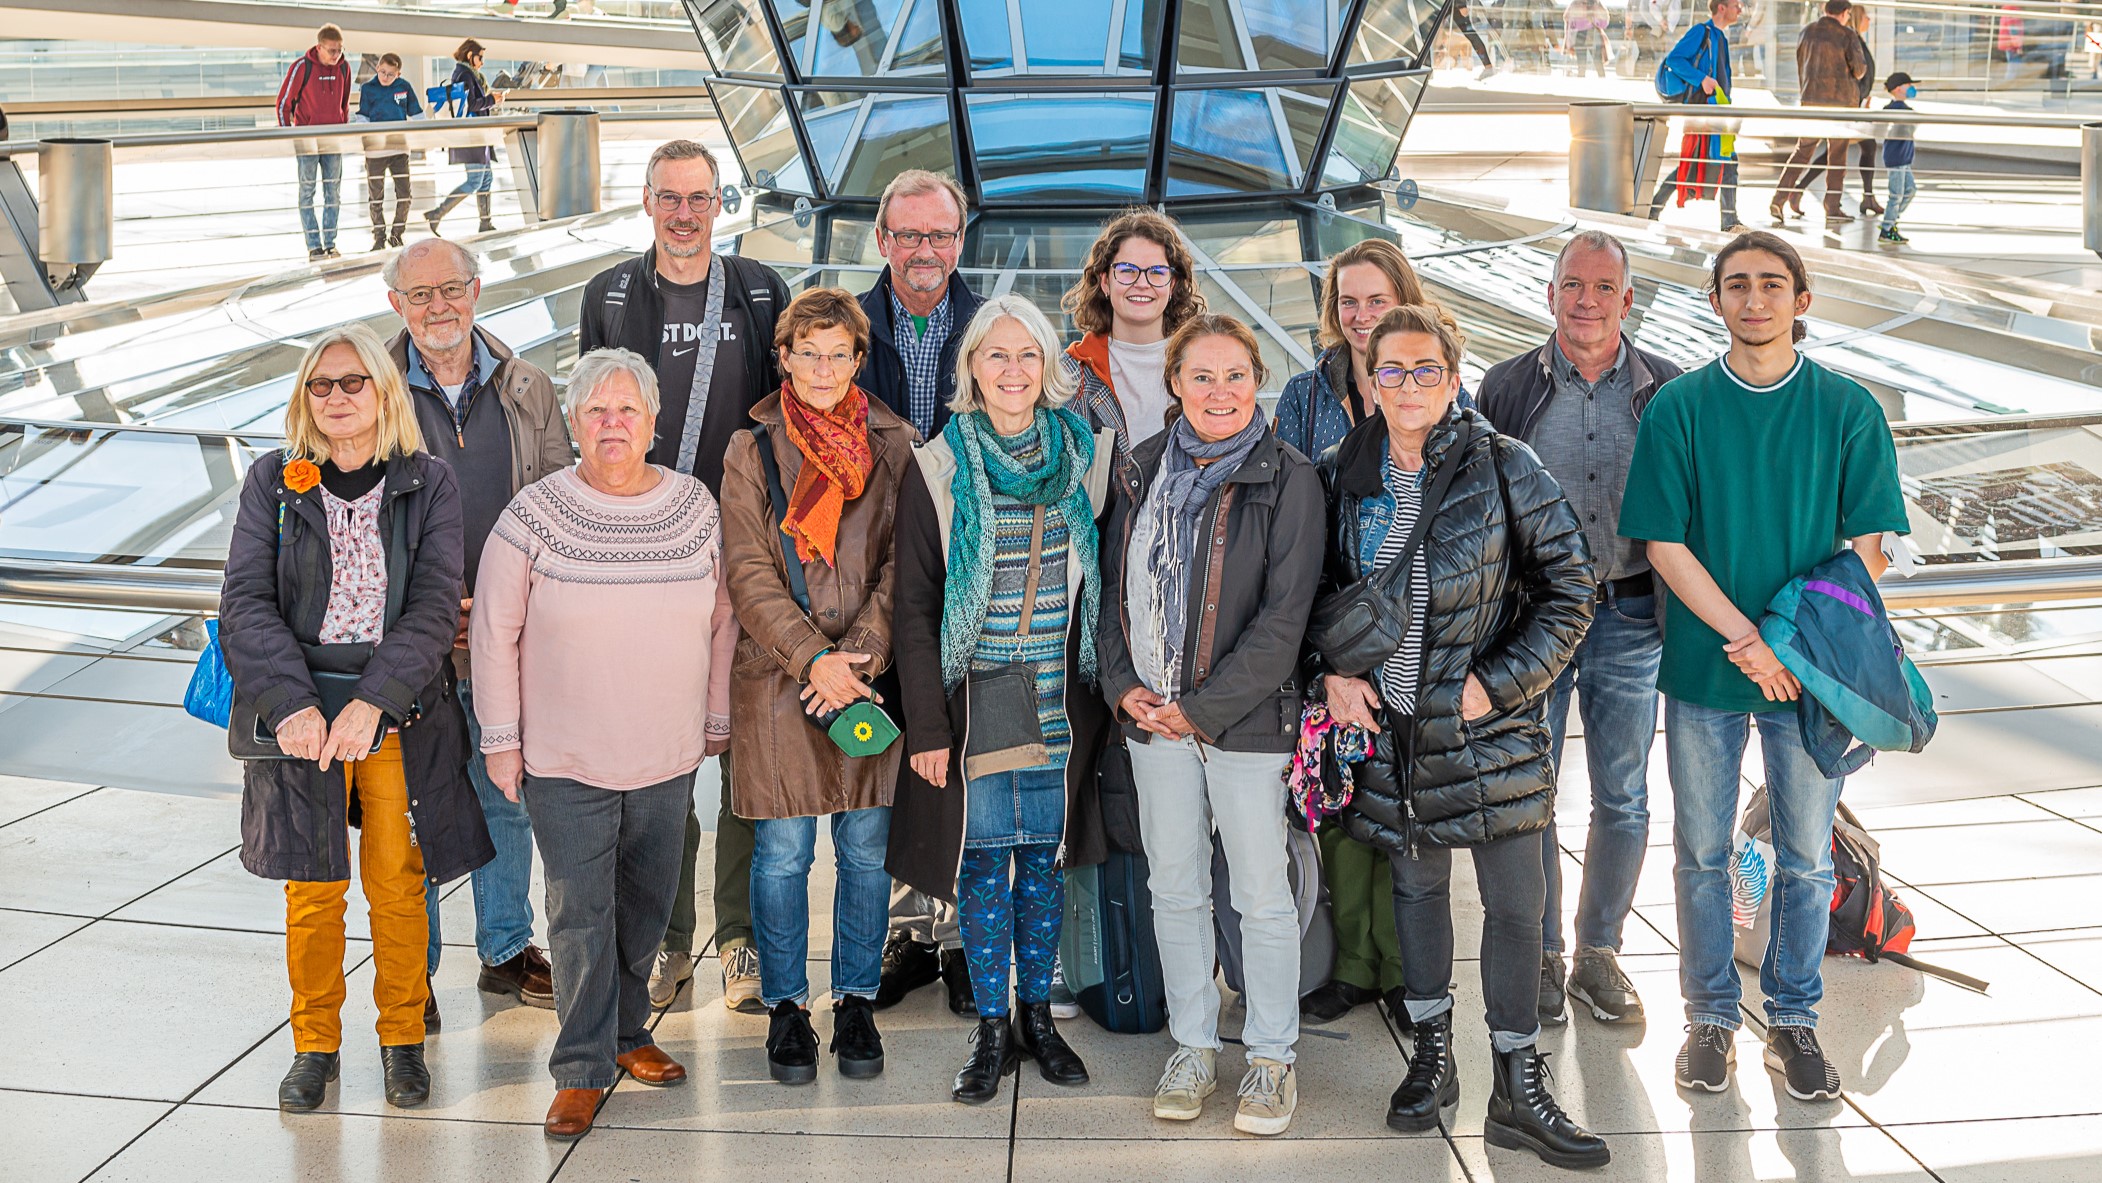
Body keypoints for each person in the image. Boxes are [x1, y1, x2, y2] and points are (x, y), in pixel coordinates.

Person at [1619, 232, 1908, 1102]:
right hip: (1707, 666)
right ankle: (1710, 1018)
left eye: (1772, 284)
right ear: (1714, 302)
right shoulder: (1680, 408)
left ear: (1802, 299)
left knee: (1807, 858)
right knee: (1703, 851)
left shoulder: (1847, 408)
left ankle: (1793, 1018)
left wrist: (1783, 643)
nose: (1755, 298)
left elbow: (1870, 549)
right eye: (1737, 285)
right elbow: (1663, 542)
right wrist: (1748, 637)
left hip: (1809, 677)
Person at [1315, 303, 1604, 1169]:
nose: (1407, 387)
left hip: (1490, 730)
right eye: (1391, 371)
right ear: (1369, 381)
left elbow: (1573, 587)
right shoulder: (1342, 472)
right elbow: (1314, 592)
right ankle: (1434, 1057)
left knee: (1518, 908)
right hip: (1393, 733)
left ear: (1453, 375)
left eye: (1425, 370)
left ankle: (1517, 1081)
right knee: (1418, 896)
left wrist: (1499, 683)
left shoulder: (1503, 465)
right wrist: (1332, 674)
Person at [219, 323, 490, 1114]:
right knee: (313, 887)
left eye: (352, 382)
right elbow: (245, 601)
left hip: (395, 708)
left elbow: (438, 602)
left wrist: (375, 702)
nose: (336, 397)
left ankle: (402, 1037)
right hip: (299, 708)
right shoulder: (273, 481)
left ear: (382, 389)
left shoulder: (426, 482)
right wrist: (294, 704)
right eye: (320, 385)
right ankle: (315, 1045)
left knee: (398, 885)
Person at [470, 348, 737, 1140]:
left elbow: (724, 619)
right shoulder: (533, 514)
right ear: (575, 423)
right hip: (565, 754)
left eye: (628, 410)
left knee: (649, 902)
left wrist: (715, 716)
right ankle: (581, 1066)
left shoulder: (695, 506)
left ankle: (627, 1033)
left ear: (654, 422)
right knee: (580, 911)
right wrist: (501, 738)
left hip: (667, 748)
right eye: (596, 411)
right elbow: (492, 631)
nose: (613, 424)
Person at [1097, 313, 1324, 1137]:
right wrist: (1125, 688)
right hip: (1151, 721)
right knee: (1175, 885)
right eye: (1202, 376)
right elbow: (1111, 593)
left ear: (1256, 379)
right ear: (1176, 384)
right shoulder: (1143, 467)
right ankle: (1193, 1044)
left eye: (1234, 375)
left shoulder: (1290, 477)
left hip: (1245, 723)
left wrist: (1201, 708)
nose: (1219, 391)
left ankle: (1270, 1056)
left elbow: (1285, 618)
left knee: (1261, 893)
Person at [577, 138, 788, 1014]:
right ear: (648, 202)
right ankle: (669, 938)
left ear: (719, 204)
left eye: (700, 198)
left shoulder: (760, 292)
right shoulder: (611, 295)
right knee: (661, 759)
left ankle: (736, 940)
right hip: (644, 558)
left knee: (743, 751)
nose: (685, 213)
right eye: (669, 197)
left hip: (739, 553)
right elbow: (594, 419)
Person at [889, 295, 1115, 1104]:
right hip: (975, 701)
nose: (1013, 371)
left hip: (1061, 698)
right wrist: (925, 723)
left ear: (1049, 367)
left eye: (1028, 355)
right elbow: (913, 606)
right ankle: (991, 1031)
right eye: (996, 355)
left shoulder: (1089, 455)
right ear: (972, 370)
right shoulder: (938, 465)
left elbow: (1110, 589)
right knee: (983, 867)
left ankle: (1037, 1020)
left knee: (1045, 869)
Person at [1476, 231, 1682, 1029]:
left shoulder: (1666, 389)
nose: (1586, 300)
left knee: (1623, 795)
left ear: (1628, 300)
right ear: (1551, 294)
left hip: (1633, 614)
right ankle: (1543, 955)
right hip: (1536, 620)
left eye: (1603, 287)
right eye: (1572, 285)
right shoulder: (1506, 387)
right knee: (1536, 792)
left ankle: (1600, 953)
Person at [720, 287, 915, 1085]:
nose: (825, 367)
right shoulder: (750, 447)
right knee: (783, 851)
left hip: (866, 678)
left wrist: (859, 655)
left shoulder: (897, 444)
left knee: (867, 851)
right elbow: (748, 571)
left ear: (860, 359)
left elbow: (909, 567)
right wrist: (815, 659)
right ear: (785, 358)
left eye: (841, 353)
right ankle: (788, 1008)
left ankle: (858, 1000)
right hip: (780, 680)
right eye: (810, 352)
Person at [383, 239, 572, 1017]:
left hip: (509, 635)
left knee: (507, 794)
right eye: (420, 294)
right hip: (413, 642)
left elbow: (562, 497)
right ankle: (414, 968)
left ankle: (503, 948)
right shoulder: (374, 389)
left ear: (477, 290)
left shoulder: (527, 385)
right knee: (419, 805)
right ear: (395, 303)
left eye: (451, 289)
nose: (438, 306)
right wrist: (428, 603)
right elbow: (354, 516)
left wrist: (514, 601)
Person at [1273, 237, 1432, 1026]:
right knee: (1337, 796)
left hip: (1417, 629)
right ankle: (1354, 963)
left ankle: (1405, 969)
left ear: (1403, 297)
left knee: (1403, 805)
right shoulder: (1306, 394)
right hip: (1331, 621)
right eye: (1348, 302)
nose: (1361, 316)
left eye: (1375, 299)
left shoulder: (1434, 384)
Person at [859, 168, 986, 1015]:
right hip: (866, 574)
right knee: (895, 756)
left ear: (960, 241)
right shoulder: (846, 327)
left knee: (964, 746)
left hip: (967, 567)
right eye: (908, 235)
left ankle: (961, 934)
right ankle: (906, 930)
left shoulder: (991, 327)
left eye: (939, 235)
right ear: (882, 242)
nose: (924, 252)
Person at [1060, 208, 1208, 487]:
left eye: (1156, 272)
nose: (1142, 284)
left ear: (1172, 283)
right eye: (1127, 271)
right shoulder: (1070, 375)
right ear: (1105, 281)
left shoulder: (1205, 364)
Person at [1646, 0, 1744, 232]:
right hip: (1702, 110)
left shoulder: (1721, 38)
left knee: (1720, 159)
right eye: (1736, 5)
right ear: (1721, 7)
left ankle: (1655, 208)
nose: (1739, 9)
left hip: (1714, 111)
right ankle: (1728, 221)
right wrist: (1702, 79)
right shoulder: (1702, 31)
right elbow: (1674, 59)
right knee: (1714, 160)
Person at [1772, 0, 1867, 224]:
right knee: (1837, 158)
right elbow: (1860, 70)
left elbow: (1800, 63)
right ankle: (1832, 207)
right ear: (1845, 13)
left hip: (1811, 102)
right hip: (1840, 105)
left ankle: (1778, 198)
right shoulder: (1847, 35)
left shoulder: (1806, 32)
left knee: (1802, 151)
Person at [276, 24, 353, 261]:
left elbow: (345, 104)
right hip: (307, 140)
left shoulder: (344, 67)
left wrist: (342, 131)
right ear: (319, 47)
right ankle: (314, 246)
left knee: (333, 193)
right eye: (331, 50)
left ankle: (330, 244)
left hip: (333, 142)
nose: (336, 55)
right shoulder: (302, 66)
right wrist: (288, 135)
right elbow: (283, 103)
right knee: (307, 192)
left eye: (339, 50)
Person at [427, 40, 504, 237]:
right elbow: (471, 105)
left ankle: (485, 223)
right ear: (470, 55)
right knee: (475, 181)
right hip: (471, 136)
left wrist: (490, 100)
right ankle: (437, 214)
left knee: (486, 179)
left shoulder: (468, 73)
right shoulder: (464, 74)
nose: (483, 62)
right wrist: (492, 100)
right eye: (480, 57)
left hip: (478, 135)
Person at [356, 53, 423, 253]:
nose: (385, 77)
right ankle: (379, 236)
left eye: (390, 74)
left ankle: (397, 234)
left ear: (398, 74)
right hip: (375, 151)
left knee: (405, 194)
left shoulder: (404, 87)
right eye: (383, 72)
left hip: (399, 149)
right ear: (377, 68)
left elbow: (417, 114)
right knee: (375, 197)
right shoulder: (367, 89)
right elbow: (362, 117)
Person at [1878, 73, 1919, 245]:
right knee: (1896, 194)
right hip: (1896, 158)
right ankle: (1887, 230)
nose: (1911, 87)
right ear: (1897, 89)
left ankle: (1890, 221)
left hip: (1904, 158)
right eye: (1907, 84)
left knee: (1910, 190)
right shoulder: (1896, 110)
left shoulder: (1903, 110)